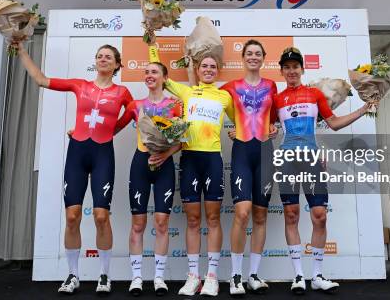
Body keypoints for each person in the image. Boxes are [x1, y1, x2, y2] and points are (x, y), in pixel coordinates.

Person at [13, 41, 132, 294]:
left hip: (102, 155)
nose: (102, 59)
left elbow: (134, 113)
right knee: (72, 216)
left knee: (101, 216)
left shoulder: (122, 92)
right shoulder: (80, 85)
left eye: (108, 57)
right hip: (77, 153)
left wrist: (112, 130)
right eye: (99, 56)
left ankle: (104, 275)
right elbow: (41, 80)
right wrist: (22, 50)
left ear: (117, 64)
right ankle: (72, 274)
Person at [274, 47, 372, 294]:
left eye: (295, 66)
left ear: (302, 69)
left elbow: (334, 124)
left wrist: (363, 109)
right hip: (287, 159)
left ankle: (317, 275)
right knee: (292, 215)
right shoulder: (276, 99)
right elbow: (267, 128)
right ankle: (298, 276)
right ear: (282, 71)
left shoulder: (314, 94)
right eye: (287, 67)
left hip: (311, 159)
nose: (291, 71)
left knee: (320, 215)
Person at [148, 40, 233, 297]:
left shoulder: (225, 95)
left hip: (213, 161)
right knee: (193, 219)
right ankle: (194, 275)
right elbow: (160, 74)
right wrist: (152, 45)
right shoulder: (186, 92)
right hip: (189, 159)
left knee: (214, 217)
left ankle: (212, 277)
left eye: (212, 67)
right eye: (204, 66)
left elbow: (244, 121)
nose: (208, 69)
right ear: (197, 70)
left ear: (217, 71)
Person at [114, 62, 183, 296]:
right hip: (140, 164)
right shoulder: (136, 105)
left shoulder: (174, 105)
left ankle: (159, 278)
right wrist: (83, 133)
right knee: (138, 223)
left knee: (162, 222)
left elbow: (182, 140)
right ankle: (136, 278)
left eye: (154, 72)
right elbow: (114, 128)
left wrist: (165, 154)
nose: (149, 75)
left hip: (164, 165)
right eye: (147, 72)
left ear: (164, 77)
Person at [219, 40, 278, 295]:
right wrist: (232, 128)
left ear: (263, 58)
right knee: (242, 213)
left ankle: (253, 274)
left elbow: (274, 116)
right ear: (243, 58)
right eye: (249, 53)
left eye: (257, 54)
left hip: (265, 152)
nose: (253, 57)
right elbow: (208, 101)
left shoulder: (272, 85)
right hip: (242, 151)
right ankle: (235, 276)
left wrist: (274, 127)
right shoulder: (231, 87)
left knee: (261, 215)